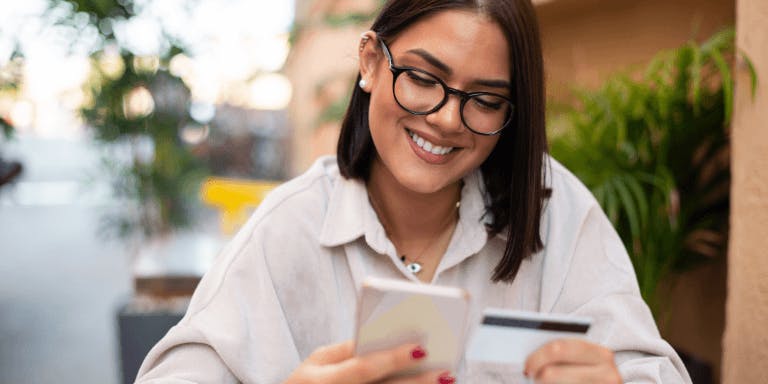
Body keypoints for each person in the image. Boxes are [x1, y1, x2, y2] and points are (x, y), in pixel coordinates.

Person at [136, 0, 691, 383]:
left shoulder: (557, 212)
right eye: (424, 79)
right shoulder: (289, 229)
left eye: (486, 99)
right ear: (371, 62)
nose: (448, 119)